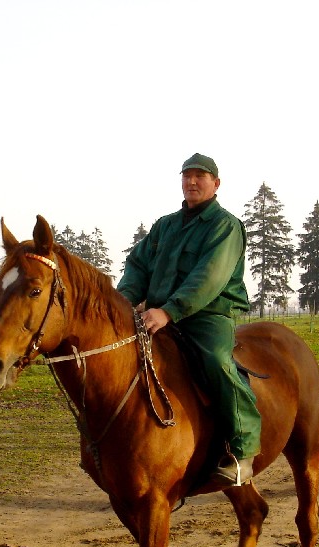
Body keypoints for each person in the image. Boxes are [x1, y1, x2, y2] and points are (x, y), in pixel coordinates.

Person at [117, 152, 261, 486]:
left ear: (216, 184)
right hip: (157, 314)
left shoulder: (226, 226)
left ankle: (243, 450)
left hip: (206, 316)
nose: (192, 182)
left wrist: (169, 311)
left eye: (200, 176)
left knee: (216, 361)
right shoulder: (165, 226)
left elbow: (208, 278)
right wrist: (123, 302)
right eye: (186, 176)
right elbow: (138, 265)